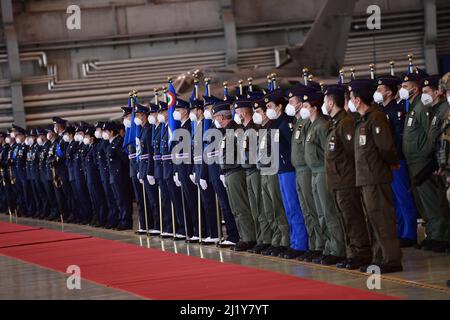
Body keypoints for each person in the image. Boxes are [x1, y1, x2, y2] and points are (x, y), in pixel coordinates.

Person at [350, 78, 402, 273]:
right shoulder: (362, 120)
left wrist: (391, 163)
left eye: (352, 97)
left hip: (376, 176)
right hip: (365, 178)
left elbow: (386, 147)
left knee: (382, 217)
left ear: (358, 100)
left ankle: (391, 259)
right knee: (373, 219)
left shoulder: (376, 118)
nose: (350, 100)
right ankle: (379, 256)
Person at [323, 84, 372, 269]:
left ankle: (362, 253)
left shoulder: (345, 122)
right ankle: (352, 252)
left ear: (330, 102)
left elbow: (354, 152)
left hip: (346, 179)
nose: (324, 104)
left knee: (353, 217)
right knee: (344, 218)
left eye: (325, 101)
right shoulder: (334, 122)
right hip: (337, 180)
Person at [302, 90, 346, 265]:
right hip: (313, 172)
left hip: (322, 171)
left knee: (329, 211)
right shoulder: (311, 125)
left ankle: (338, 248)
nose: (302, 109)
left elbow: (328, 151)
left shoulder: (321, 125)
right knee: (320, 212)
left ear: (314, 108)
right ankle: (328, 246)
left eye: (305, 106)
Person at [264, 89, 308, 259]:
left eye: (270, 106)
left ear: (279, 107)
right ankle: (294, 242)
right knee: (288, 209)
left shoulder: (285, 123)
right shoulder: (275, 124)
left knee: (294, 207)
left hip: (289, 169)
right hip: (281, 170)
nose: (268, 109)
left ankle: (301, 243)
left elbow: (293, 147)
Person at [374, 76, 418, 247]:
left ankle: (410, 233)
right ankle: (400, 231)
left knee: (403, 197)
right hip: (385, 162)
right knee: (393, 200)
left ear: (389, 92)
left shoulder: (397, 110)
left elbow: (399, 137)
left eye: (380, 89)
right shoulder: (379, 111)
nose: (377, 92)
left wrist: (393, 157)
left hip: (396, 160)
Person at [213, 101, 256, 251]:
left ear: (223, 116)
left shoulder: (236, 130)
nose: (216, 120)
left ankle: (249, 237)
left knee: (241, 207)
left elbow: (241, 153)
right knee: (235, 208)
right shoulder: (227, 132)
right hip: (229, 172)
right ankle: (243, 236)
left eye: (217, 116)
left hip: (236, 172)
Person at [203, 94, 239, 247]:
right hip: (218, 171)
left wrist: (222, 172)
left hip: (227, 171)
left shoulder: (229, 129)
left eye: (214, 112)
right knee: (225, 205)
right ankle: (232, 234)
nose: (212, 115)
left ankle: (235, 235)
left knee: (232, 205)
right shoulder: (213, 127)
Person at [190, 94, 219, 244]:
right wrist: (195, 170)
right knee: (205, 203)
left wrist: (202, 173)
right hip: (200, 167)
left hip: (207, 168)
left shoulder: (206, 125)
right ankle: (210, 231)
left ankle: (215, 232)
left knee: (210, 203)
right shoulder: (198, 125)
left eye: (207, 107)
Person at [103, 121, 132, 230]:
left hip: (120, 175)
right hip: (113, 175)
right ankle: (121, 219)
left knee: (123, 199)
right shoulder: (111, 143)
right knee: (118, 199)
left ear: (111, 132)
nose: (104, 133)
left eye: (106, 131)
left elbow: (124, 159)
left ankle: (126, 221)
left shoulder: (119, 142)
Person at [82, 127, 108, 227]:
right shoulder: (90, 147)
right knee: (94, 200)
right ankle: (97, 218)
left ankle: (101, 219)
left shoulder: (96, 146)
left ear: (92, 138)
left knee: (100, 200)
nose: (85, 138)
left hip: (95, 178)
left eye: (87, 136)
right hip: (90, 178)